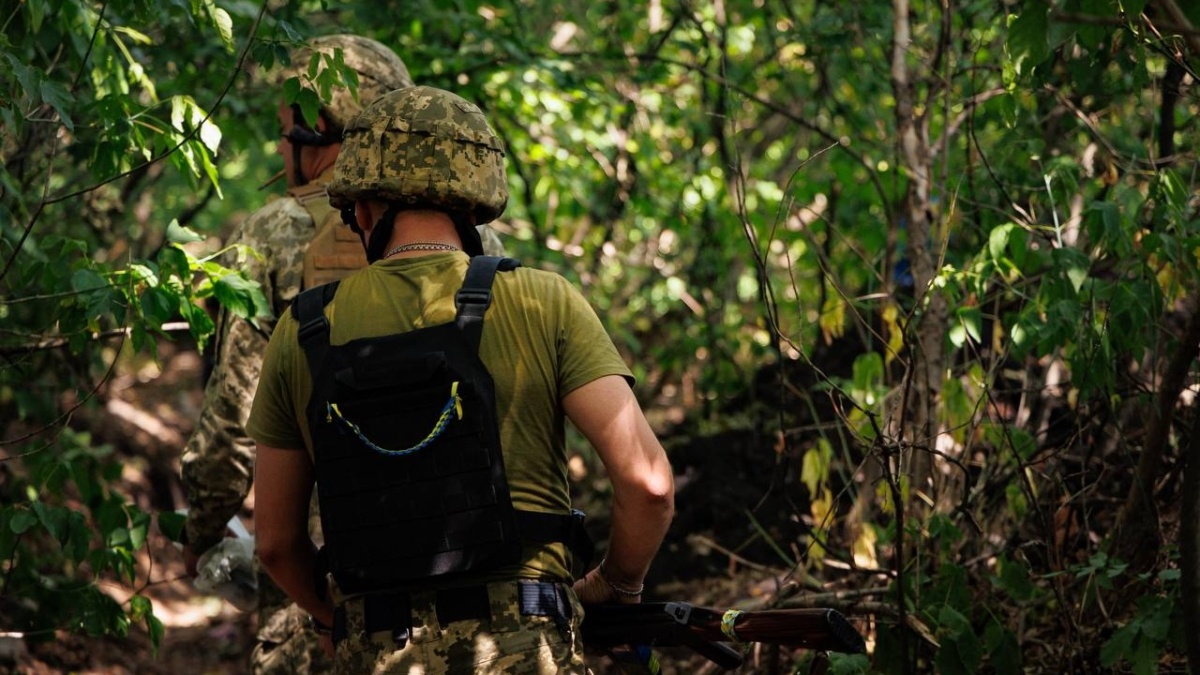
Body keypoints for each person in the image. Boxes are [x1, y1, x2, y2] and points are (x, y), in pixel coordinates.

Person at [246, 85, 675, 674]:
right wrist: (619, 586)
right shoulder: (542, 301)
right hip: (525, 645)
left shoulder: (301, 331)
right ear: (474, 207)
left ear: (364, 209)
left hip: (375, 649)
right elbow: (649, 485)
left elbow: (274, 542)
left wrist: (330, 618)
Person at [179, 35, 503, 674]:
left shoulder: (275, 233)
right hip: (479, 552)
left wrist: (204, 530)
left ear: (319, 129)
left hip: (331, 573)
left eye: (285, 129)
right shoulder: (474, 233)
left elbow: (232, 421)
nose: (279, 149)